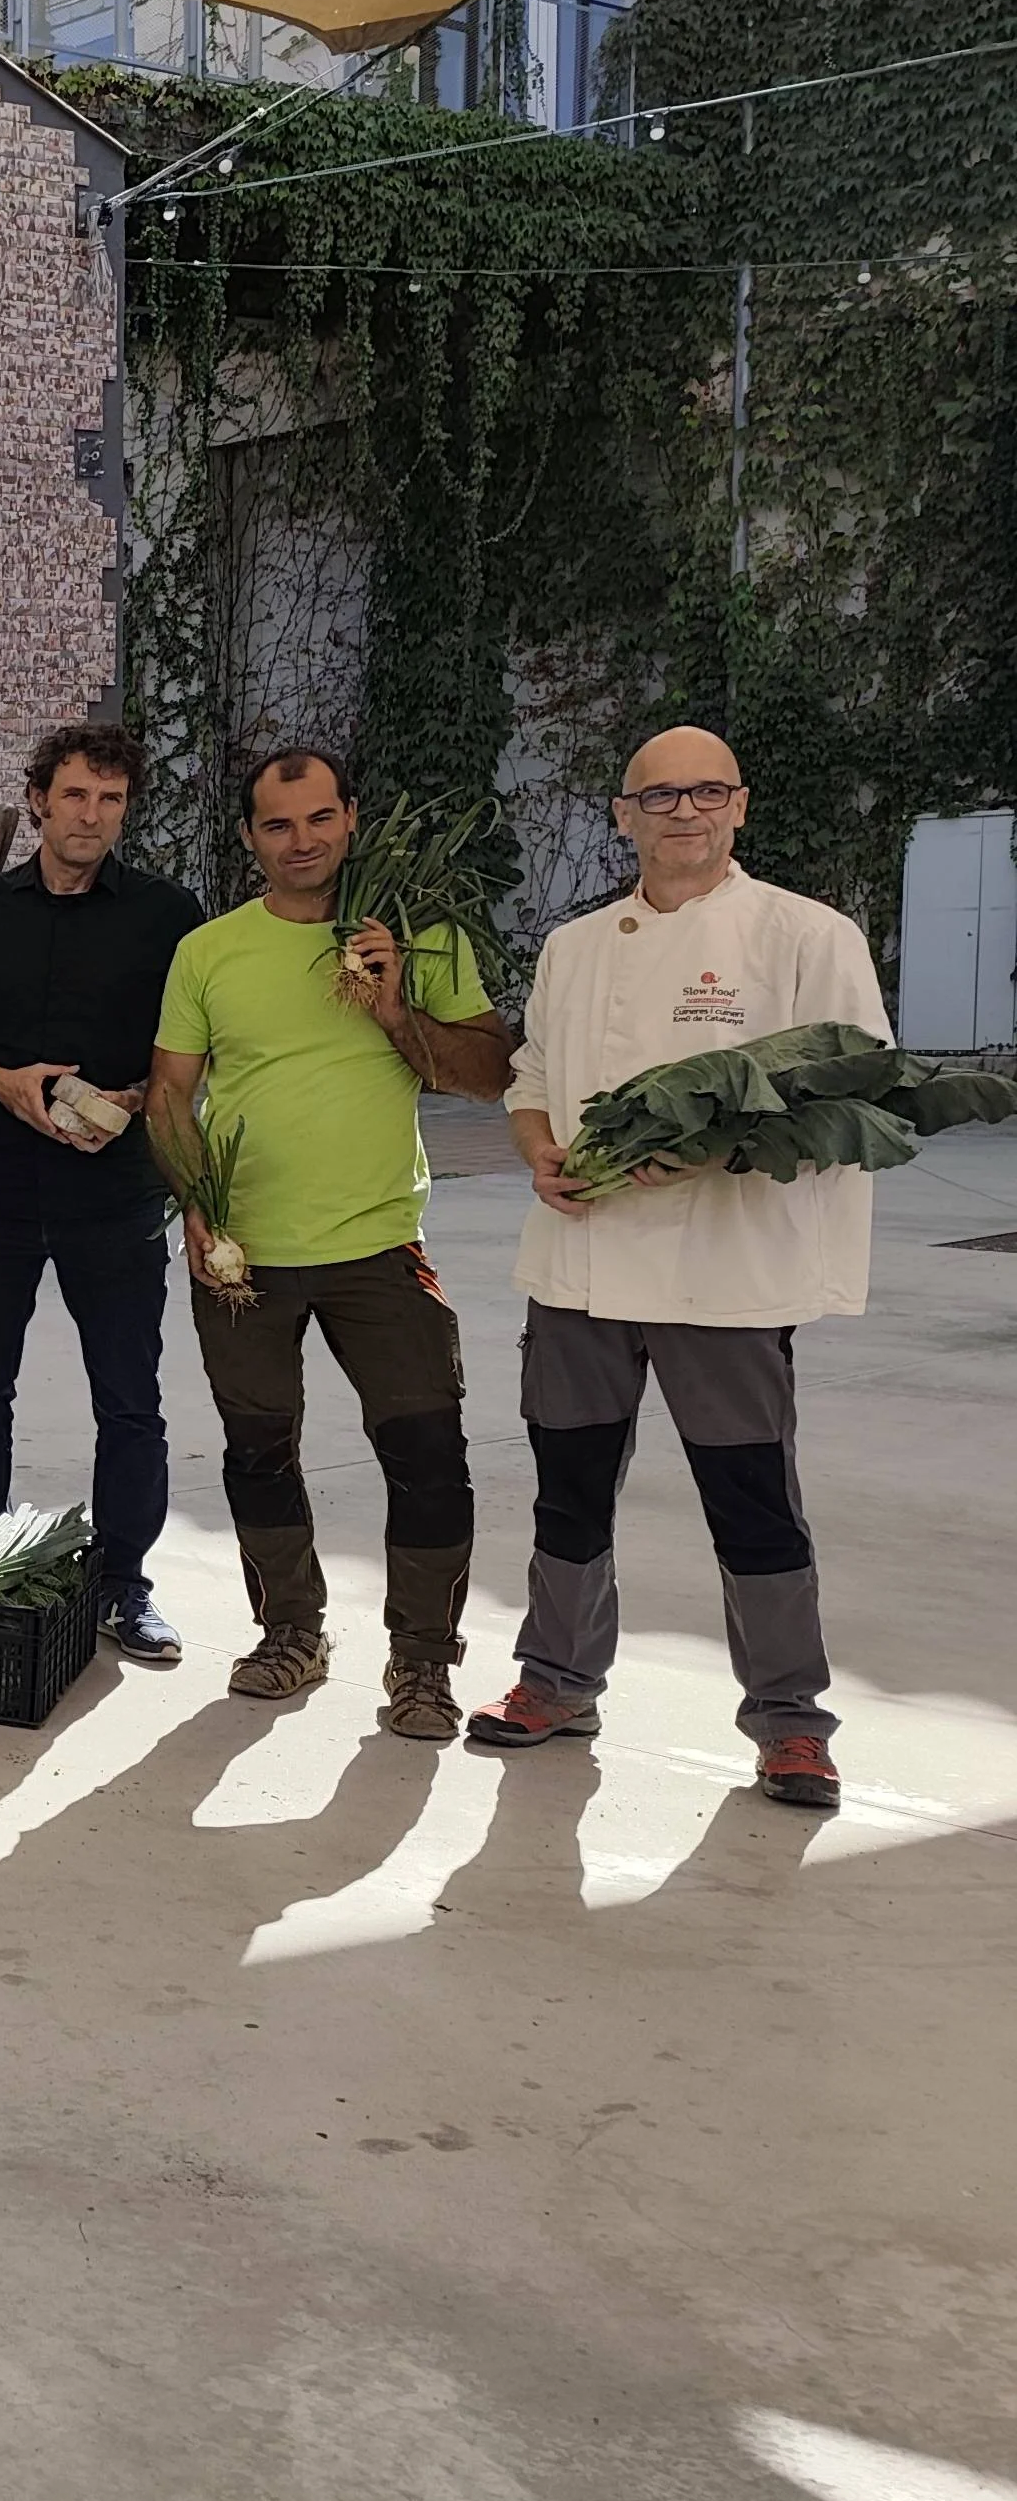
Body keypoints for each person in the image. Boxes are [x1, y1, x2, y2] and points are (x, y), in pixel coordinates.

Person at [476, 728, 877, 1810]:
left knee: (751, 1499)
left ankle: (791, 1722)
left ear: (739, 805)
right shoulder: (574, 945)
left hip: (726, 1273)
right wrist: (537, 1148)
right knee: (567, 1490)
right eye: (658, 796)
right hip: (579, 1267)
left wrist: (707, 1152)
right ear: (624, 815)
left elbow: (851, 1090)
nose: (683, 811)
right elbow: (532, 1072)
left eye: (705, 792)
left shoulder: (805, 935)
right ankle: (556, 1680)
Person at [148, 745, 513, 1735]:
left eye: (318, 818)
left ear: (351, 817)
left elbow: (487, 1074)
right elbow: (170, 1093)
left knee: (428, 1454)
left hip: (379, 1243)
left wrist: (394, 1008)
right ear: (249, 837)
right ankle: (291, 1633)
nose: (300, 840)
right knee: (257, 1452)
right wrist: (195, 1197)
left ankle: (423, 1664)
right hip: (246, 1255)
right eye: (277, 823)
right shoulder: (210, 951)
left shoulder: (415, 933)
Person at [0, 724, 205, 1662]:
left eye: (111, 800)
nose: (91, 816)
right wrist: (1, 1082)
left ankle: (125, 1586)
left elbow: (197, 1044)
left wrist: (136, 1100)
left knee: (131, 1400)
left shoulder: (167, 915)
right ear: (38, 799)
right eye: (74, 795)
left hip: (116, 1189)